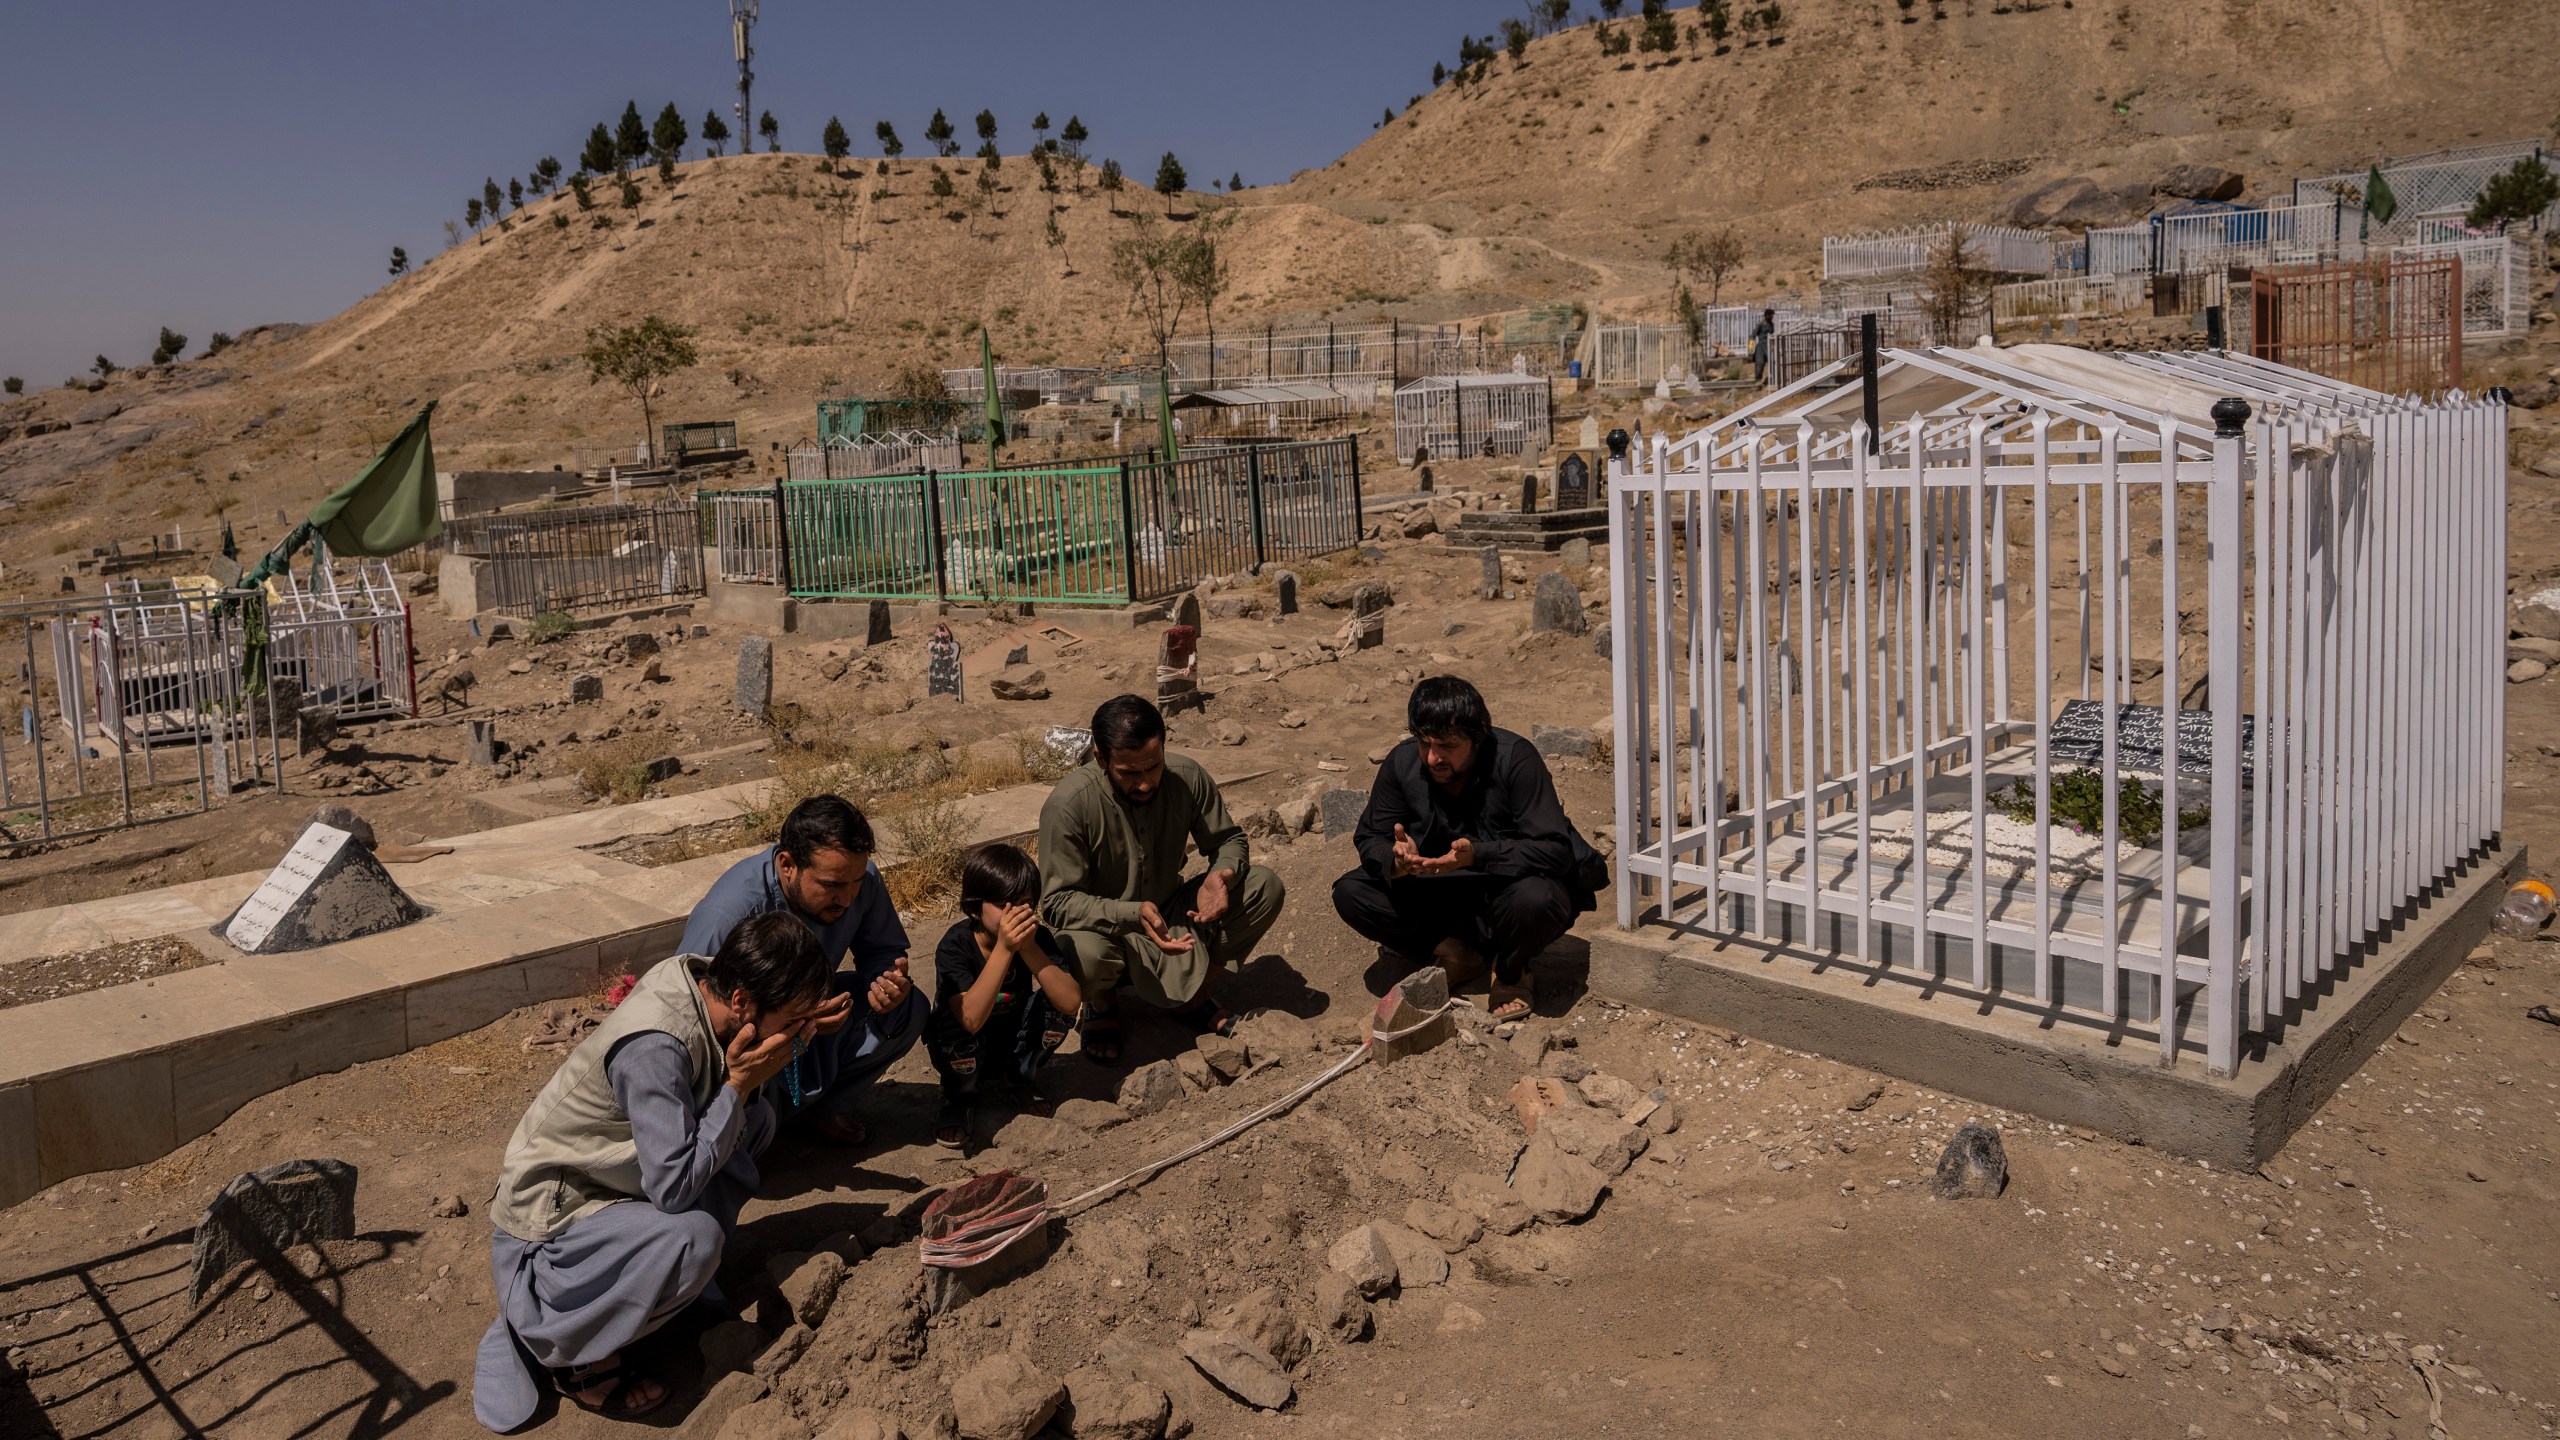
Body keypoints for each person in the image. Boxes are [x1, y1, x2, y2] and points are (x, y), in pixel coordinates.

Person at [473, 912, 827, 1429]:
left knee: (756, 1122)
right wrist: (737, 1087)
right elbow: (674, 1188)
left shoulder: (707, 984)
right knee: (693, 1237)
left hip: (610, 1185)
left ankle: (647, 1292)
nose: (799, 1029)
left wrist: (753, 1082)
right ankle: (567, 1344)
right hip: (551, 1225)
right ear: (741, 1002)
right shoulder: (657, 1047)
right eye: (793, 1018)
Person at [1330, 675, 1599, 1023]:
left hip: (1507, 893)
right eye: (1424, 743)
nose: (1433, 757)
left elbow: (1555, 850)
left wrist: (1480, 855)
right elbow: (1370, 837)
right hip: (1443, 897)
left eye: (1447, 745)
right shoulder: (1402, 765)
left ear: (1476, 738)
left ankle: (1511, 970)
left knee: (1538, 898)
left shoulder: (1515, 760)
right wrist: (1397, 861)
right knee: (1351, 893)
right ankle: (1459, 954)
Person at [1037, 694, 1285, 1062]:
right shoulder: (1069, 806)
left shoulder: (1186, 778)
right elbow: (1056, 904)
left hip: (1174, 916)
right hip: (1107, 930)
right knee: (1080, 952)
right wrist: (1130, 913)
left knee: (1264, 887)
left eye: (1153, 767)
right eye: (1129, 773)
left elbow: (1228, 839)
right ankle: (1101, 1007)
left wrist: (1220, 876)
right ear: (1101, 759)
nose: (1145, 784)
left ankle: (1194, 996)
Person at [679, 795, 926, 1147]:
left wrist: (885, 982)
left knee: (909, 1008)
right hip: (747, 1045)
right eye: (832, 885)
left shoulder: (856, 877)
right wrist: (795, 1024)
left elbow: (882, 950)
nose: (848, 897)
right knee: (740, 1143)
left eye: (855, 882)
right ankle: (749, 1128)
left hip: (808, 1025)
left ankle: (815, 1111)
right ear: (787, 864)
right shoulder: (728, 916)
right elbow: (695, 1025)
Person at [926, 843, 1085, 1148]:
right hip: (966, 1050)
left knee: (1056, 1003)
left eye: (1025, 903)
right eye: (1004, 905)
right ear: (974, 907)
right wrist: (1004, 949)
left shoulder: (1036, 938)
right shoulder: (955, 945)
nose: (1016, 915)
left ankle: (1017, 1080)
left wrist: (1028, 949)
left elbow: (1070, 1002)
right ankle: (960, 1097)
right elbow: (969, 1019)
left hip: (1012, 1044)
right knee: (950, 1021)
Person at [1749, 308, 1777, 385]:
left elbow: (1772, 335)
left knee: (1772, 362)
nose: (1772, 317)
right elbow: (1753, 335)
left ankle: (1773, 378)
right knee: (1760, 363)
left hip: (1769, 346)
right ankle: (1758, 379)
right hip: (1761, 346)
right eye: (1770, 315)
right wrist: (1750, 346)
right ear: (1766, 315)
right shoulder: (1760, 325)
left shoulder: (1771, 325)